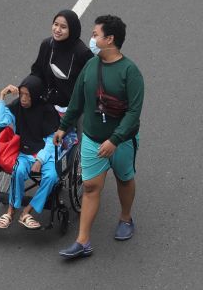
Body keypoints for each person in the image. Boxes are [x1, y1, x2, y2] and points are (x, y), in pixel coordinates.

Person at [53, 15, 144, 258]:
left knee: (124, 179)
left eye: (95, 35)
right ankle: (83, 241)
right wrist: (64, 126)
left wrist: (114, 140)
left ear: (109, 39)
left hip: (122, 142)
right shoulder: (91, 66)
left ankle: (125, 218)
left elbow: (134, 112)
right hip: (92, 140)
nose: (91, 39)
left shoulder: (130, 72)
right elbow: (77, 100)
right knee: (91, 186)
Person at [0, 75, 61, 230]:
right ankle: (10, 213)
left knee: (51, 176)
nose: (23, 98)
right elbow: (0, 122)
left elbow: (53, 140)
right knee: (18, 171)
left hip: (45, 154)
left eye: (27, 95)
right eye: (21, 94)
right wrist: (2, 96)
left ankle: (26, 212)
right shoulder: (17, 106)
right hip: (24, 152)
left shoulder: (47, 111)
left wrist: (40, 160)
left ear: (36, 95)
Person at [31, 9, 94, 113]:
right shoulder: (47, 45)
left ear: (72, 29)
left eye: (63, 27)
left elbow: (92, 83)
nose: (57, 29)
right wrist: (27, 88)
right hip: (50, 103)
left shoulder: (82, 53)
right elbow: (37, 71)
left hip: (75, 109)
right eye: (55, 24)